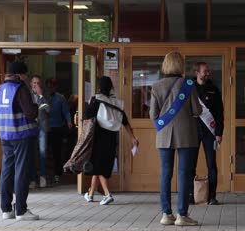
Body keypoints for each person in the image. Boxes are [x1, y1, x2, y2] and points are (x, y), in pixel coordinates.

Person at [149, 51, 202, 226]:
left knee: (165, 174)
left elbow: (153, 114)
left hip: (164, 135)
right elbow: (197, 111)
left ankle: (166, 214)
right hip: (186, 134)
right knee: (184, 174)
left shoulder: (156, 86)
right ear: (180, 65)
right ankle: (182, 215)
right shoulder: (188, 84)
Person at [83, 76, 139, 205]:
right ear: (111, 87)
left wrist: (90, 102)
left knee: (98, 166)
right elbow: (125, 122)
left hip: (99, 138)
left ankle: (107, 194)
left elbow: (87, 115)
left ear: (99, 87)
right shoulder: (116, 103)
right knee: (100, 165)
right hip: (112, 138)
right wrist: (132, 138)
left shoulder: (97, 100)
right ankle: (90, 194)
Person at [0, 61, 39, 221]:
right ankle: (21, 210)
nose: (26, 78)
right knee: (22, 171)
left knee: (7, 171)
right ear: (19, 75)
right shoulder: (20, 89)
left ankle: (6, 210)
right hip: (21, 136)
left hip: (5, 135)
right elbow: (30, 113)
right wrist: (37, 107)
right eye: (25, 75)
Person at [191, 62, 224, 205]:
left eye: (208, 71)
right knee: (190, 164)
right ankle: (191, 195)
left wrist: (219, 132)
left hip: (209, 133)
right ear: (197, 72)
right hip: (191, 131)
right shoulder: (188, 88)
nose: (207, 74)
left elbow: (219, 113)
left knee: (211, 163)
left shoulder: (214, 90)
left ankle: (212, 196)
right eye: (205, 71)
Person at [46, 78, 72, 184]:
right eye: (48, 86)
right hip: (46, 128)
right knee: (44, 152)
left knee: (57, 152)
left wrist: (69, 121)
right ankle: (45, 174)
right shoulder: (44, 97)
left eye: (52, 86)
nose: (50, 88)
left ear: (55, 87)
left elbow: (66, 111)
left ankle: (57, 174)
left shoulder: (60, 98)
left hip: (57, 128)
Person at [30, 74, 50, 188]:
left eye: (38, 83)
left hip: (42, 127)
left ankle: (43, 177)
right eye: (34, 83)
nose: (36, 85)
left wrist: (41, 95)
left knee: (42, 153)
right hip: (32, 127)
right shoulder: (27, 94)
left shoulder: (45, 94)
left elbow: (49, 110)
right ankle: (32, 179)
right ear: (31, 84)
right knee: (32, 153)